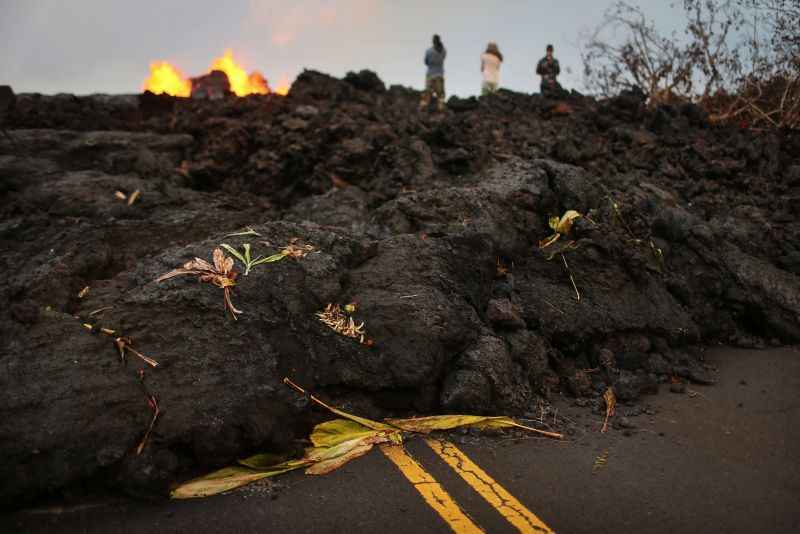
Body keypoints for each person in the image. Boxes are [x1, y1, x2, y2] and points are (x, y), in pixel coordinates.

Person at [420, 34, 447, 111]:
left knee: (427, 92)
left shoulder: (429, 51)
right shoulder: (444, 51)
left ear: (433, 41)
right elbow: (443, 58)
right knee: (440, 93)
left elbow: (426, 62)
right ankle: (441, 107)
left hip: (430, 74)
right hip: (439, 74)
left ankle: (424, 106)